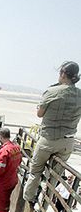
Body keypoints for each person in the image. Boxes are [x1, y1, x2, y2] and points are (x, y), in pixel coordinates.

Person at [24, 61, 81, 203]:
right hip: (68, 141)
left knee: (36, 171)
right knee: (54, 176)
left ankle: (29, 198)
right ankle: (44, 203)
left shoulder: (52, 91)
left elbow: (40, 114)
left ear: (62, 74)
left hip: (48, 139)